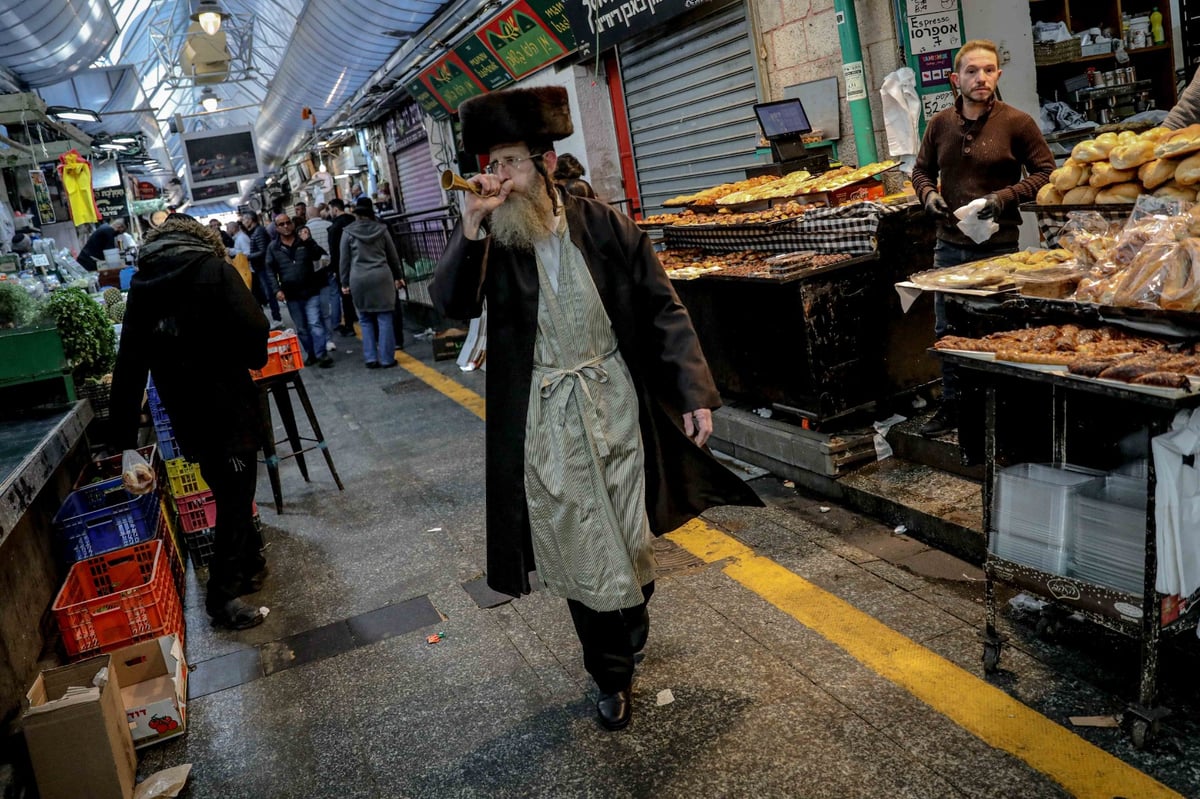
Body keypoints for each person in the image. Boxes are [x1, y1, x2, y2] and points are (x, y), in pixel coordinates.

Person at [430, 86, 762, 732]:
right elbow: (451, 306)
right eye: (490, 165)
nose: (497, 179)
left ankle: (630, 623)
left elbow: (661, 302)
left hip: (616, 405)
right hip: (545, 421)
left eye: (510, 164)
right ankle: (608, 674)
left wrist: (693, 389)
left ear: (547, 165)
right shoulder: (491, 237)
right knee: (582, 551)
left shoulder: (602, 224)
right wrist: (468, 227)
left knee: (630, 542)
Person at [108, 214, 269, 630]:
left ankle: (251, 564)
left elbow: (129, 365)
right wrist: (250, 357)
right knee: (235, 500)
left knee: (227, 488)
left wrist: (124, 442)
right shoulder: (214, 270)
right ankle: (222, 598)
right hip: (229, 408)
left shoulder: (142, 288)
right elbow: (255, 325)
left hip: (187, 415)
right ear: (200, 237)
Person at [910, 39, 1054, 437]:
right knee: (948, 330)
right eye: (972, 71)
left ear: (998, 75)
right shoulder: (940, 124)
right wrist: (929, 196)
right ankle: (954, 407)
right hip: (948, 246)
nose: (981, 78)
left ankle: (1001, 412)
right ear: (956, 79)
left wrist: (1003, 197)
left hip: (998, 248)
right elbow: (920, 171)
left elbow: (1046, 173)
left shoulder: (1017, 122)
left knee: (995, 331)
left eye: (989, 70)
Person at [340, 197, 404, 368]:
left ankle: (370, 358)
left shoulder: (348, 232)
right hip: (382, 277)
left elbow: (344, 260)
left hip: (359, 278)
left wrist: (344, 282)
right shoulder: (382, 230)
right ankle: (387, 359)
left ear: (356, 214)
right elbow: (393, 256)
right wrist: (398, 276)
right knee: (385, 318)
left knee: (365, 319)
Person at [266, 212, 333, 368]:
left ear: (292, 224)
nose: (286, 226)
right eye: (281, 224)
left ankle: (321, 354)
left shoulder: (303, 242)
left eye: (288, 222)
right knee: (302, 328)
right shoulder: (273, 248)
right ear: (276, 228)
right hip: (291, 294)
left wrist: (308, 241)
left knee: (315, 323)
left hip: (310, 290)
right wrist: (277, 290)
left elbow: (319, 255)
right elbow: (270, 271)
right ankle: (311, 353)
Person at [305, 205, 338, 352]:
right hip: (328, 269)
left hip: (313, 275)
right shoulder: (329, 225)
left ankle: (322, 341)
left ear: (307, 215)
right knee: (332, 299)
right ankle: (332, 333)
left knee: (316, 313)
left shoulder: (304, 231)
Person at [242, 211, 280, 326]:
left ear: (250, 220)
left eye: (244, 219)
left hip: (264, 266)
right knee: (268, 292)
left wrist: (247, 256)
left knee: (270, 292)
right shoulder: (256, 232)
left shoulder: (258, 232)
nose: (243, 222)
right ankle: (276, 317)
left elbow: (263, 251)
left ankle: (277, 318)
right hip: (261, 266)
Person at [327, 198, 358, 335]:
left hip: (343, 265)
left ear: (335, 209)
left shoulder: (334, 227)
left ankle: (350, 326)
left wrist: (335, 269)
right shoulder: (354, 221)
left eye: (330, 209)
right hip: (358, 262)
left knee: (345, 295)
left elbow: (334, 250)